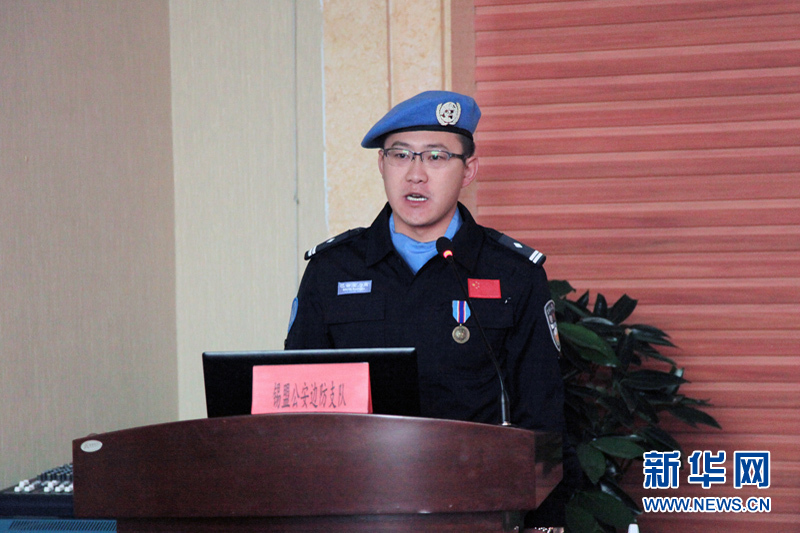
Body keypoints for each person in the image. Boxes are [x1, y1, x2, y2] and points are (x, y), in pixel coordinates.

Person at [285, 91, 574, 528]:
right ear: (382, 164)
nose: (415, 174)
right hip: (356, 511)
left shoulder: (514, 274)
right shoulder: (332, 270)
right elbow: (295, 408)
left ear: (469, 170)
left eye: (436, 157)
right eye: (400, 155)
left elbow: (542, 415)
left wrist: (543, 525)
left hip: (477, 511)